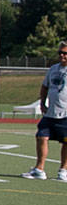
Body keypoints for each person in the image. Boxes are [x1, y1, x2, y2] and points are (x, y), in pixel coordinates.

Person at [21, 43, 67, 180]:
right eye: (60, 53)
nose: (62, 56)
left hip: (66, 114)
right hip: (51, 112)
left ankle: (63, 171)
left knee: (66, 142)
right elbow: (45, 87)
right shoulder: (53, 69)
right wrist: (42, 102)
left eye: (65, 53)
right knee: (41, 136)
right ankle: (39, 169)